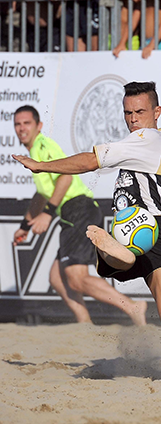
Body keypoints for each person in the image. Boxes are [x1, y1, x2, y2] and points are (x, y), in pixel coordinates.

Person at [13, 82, 161, 375]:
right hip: (128, 227)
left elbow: (89, 161)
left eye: (140, 112)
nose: (133, 119)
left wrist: (41, 166)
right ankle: (121, 254)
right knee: (118, 259)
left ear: (157, 112)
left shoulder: (145, 139)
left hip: (157, 230)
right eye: (128, 113)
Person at [12, 105, 147, 325]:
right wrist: (25, 226)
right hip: (72, 213)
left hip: (79, 210)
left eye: (26, 123)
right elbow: (43, 193)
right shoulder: (34, 152)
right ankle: (84, 324)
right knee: (57, 278)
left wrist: (47, 214)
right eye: (17, 124)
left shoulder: (42, 145)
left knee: (77, 278)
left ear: (39, 126)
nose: (21, 128)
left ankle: (133, 307)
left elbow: (65, 178)